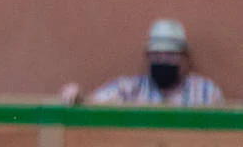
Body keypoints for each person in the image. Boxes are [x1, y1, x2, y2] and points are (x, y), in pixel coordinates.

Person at [62, 19, 224, 107]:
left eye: (170, 54)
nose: (162, 60)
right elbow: (93, 103)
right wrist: (77, 96)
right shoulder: (129, 90)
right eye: (156, 54)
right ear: (148, 57)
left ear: (185, 58)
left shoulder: (206, 93)